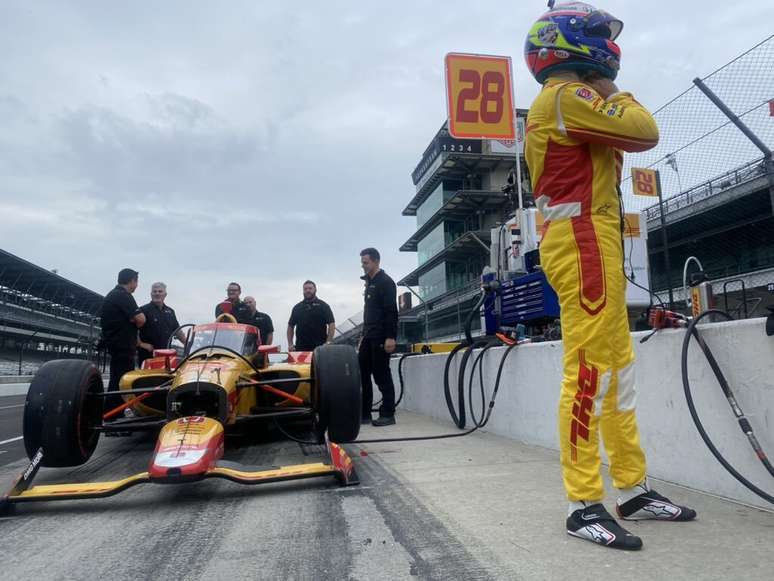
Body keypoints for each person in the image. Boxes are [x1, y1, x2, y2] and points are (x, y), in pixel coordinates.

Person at [524, 2, 695, 550]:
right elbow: (644, 131)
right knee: (589, 374)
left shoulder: (569, 101)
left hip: (594, 240)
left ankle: (633, 489)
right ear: (571, 45)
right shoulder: (566, 97)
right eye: (599, 38)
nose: (610, 48)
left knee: (618, 373)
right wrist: (612, 89)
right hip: (581, 243)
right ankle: (583, 505)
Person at [358, 248, 398, 427]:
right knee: (362, 374)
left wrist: (390, 337)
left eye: (365, 262)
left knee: (381, 374)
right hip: (368, 335)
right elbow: (369, 314)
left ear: (375, 261)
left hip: (381, 336)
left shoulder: (385, 282)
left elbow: (391, 312)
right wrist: (362, 336)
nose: (363, 265)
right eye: (362, 262)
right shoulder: (370, 283)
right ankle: (364, 413)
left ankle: (388, 413)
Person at [100, 268, 146, 411]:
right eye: (136, 282)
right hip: (122, 345)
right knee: (121, 382)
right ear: (132, 281)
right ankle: (113, 416)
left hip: (117, 344)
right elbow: (141, 319)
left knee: (117, 380)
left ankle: (114, 413)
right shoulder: (123, 295)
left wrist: (132, 319)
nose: (137, 286)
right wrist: (133, 319)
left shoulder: (113, 295)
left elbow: (135, 319)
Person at [137, 282, 186, 366]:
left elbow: (178, 331)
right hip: (148, 356)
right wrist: (141, 344)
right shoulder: (143, 310)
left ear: (165, 294)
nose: (157, 293)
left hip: (166, 356)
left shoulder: (170, 311)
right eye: (154, 291)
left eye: (160, 291)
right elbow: (132, 330)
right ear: (151, 294)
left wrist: (189, 345)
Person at [287, 280, 335, 351]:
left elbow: (331, 324)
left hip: (320, 348)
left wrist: (328, 342)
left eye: (310, 288)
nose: (307, 291)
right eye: (305, 289)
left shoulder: (323, 306)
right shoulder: (297, 308)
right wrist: (290, 344)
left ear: (315, 289)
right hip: (301, 348)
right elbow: (290, 326)